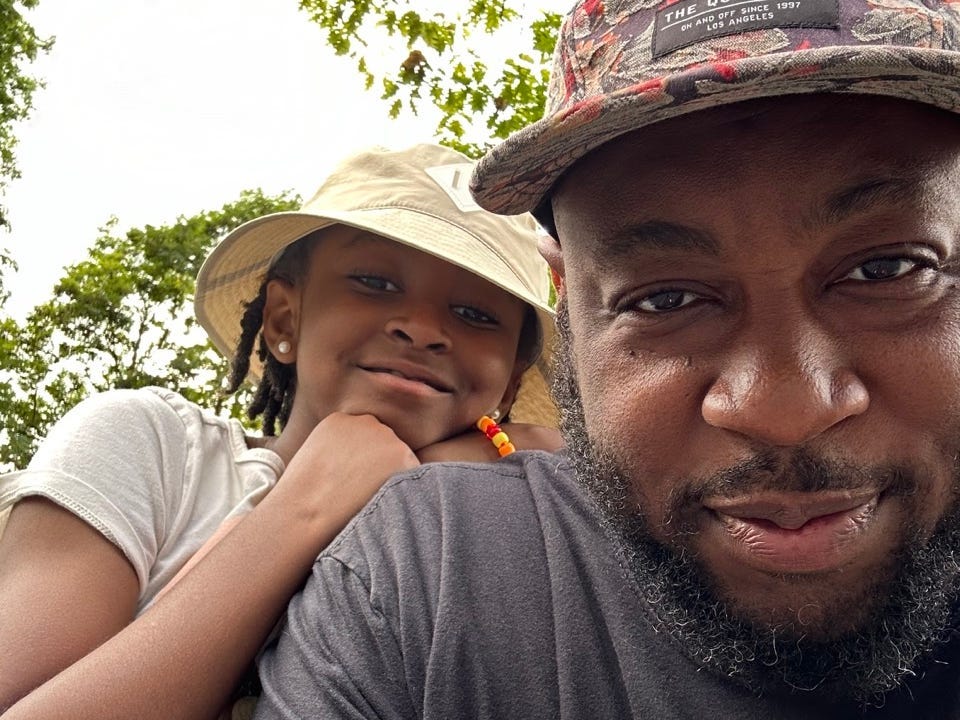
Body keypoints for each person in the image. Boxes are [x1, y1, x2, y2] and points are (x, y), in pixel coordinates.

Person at [251, 1, 960, 718]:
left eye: (889, 269)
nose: (786, 411)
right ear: (569, 307)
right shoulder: (427, 578)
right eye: (666, 299)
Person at [0, 143, 562, 719]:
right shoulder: (156, 448)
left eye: (476, 315)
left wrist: (423, 483)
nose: (421, 329)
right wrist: (306, 507)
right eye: (374, 281)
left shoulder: (517, 529)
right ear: (283, 320)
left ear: (509, 382)